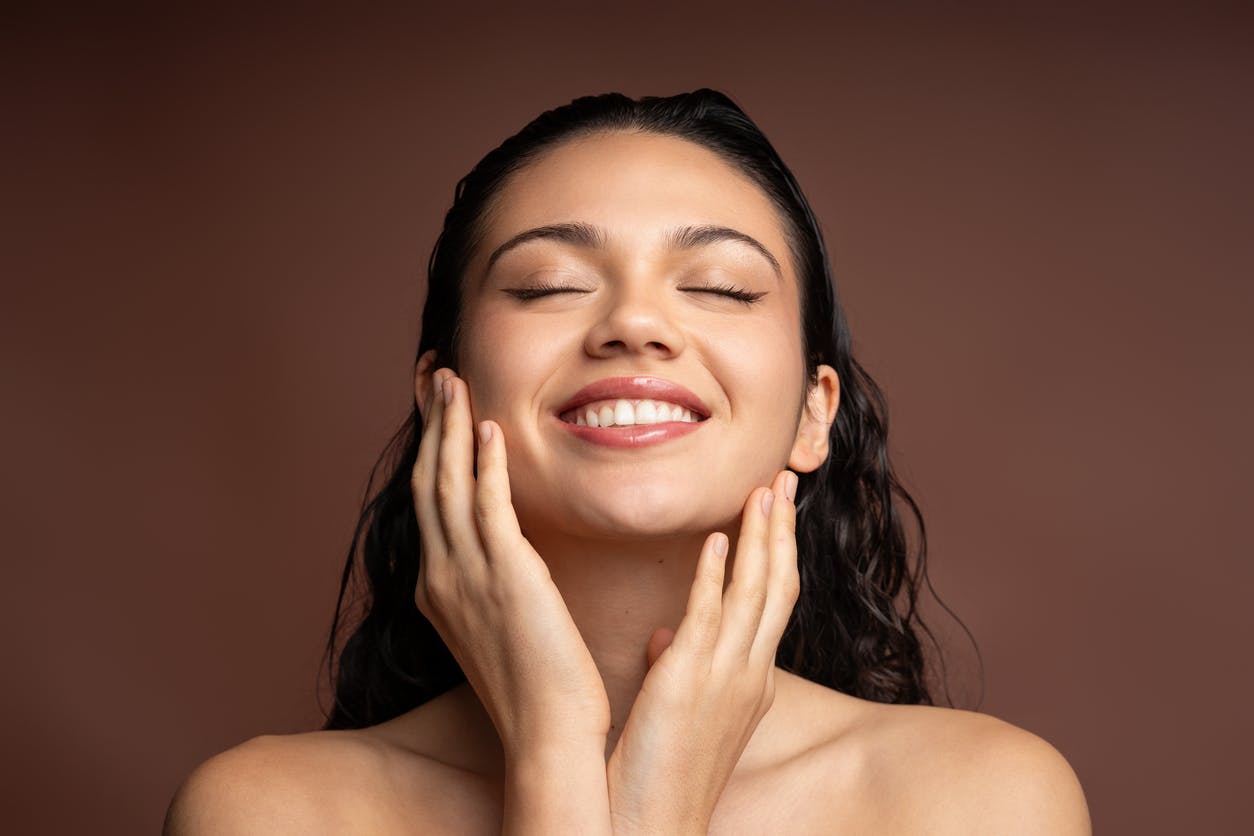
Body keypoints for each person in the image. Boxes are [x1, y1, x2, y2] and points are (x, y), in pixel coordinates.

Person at [165, 89, 1090, 834]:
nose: (635, 325)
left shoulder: (980, 802)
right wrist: (554, 754)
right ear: (443, 393)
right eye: (549, 286)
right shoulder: (270, 812)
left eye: (721, 287)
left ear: (815, 414)